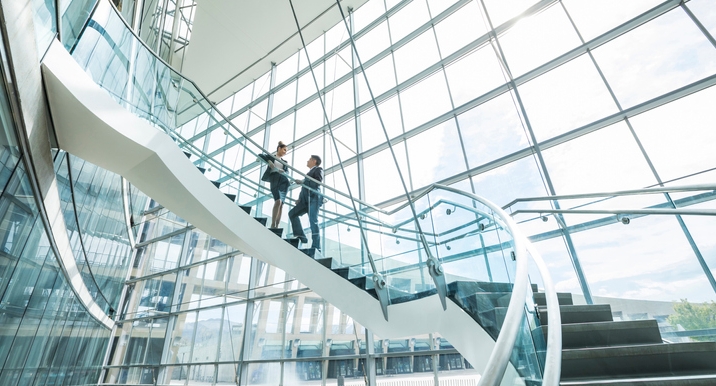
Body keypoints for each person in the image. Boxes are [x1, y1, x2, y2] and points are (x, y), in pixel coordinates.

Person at [289, 155, 324, 250]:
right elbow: (304, 188)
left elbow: (317, 182)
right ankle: (301, 236)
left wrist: (303, 182)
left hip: (314, 199)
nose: (307, 161)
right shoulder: (308, 173)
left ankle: (316, 246)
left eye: (309, 159)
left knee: (313, 221)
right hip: (304, 201)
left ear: (314, 161)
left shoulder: (318, 169)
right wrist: (299, 199)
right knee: (292, 213)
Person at [260, 141, 289, 229]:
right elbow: (260, 155)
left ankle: (277, 226)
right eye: (284, 150)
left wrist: (284, 171)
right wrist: (269, 161)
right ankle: (273, 224)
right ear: (279, 148)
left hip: (284, 182)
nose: (285, 152)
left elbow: (287, 172)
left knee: (281, 204)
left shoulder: (285, 162)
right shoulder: (272, 157)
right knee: (278, 201)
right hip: (275, 179)